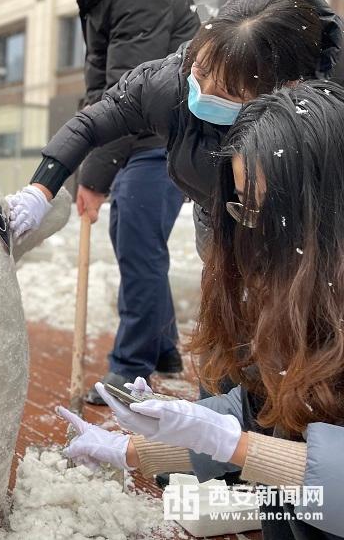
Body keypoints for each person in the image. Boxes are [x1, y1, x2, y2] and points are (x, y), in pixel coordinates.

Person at [56, 80, 344, 539]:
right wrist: (142, 446)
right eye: (242, 208)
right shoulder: (295, 294)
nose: (251, 235)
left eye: (266, 212)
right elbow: (263, 416)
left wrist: (235, 445)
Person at [7, 0, 342, 259]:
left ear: (283, 88)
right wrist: (41, 189)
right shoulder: (169, 84)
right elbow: (92, 122)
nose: (203, 91)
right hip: (213, 213)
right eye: (201, 69)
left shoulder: (320, 120)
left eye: (226, 91)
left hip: (306, 231)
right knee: (228, 316)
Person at [74, 0, 199, 405]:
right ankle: (163, 347)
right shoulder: (96, 6)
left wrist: (94, 175)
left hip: (163, 135)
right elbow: (99, 95)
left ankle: (130, 369)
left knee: (137, 241)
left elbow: (127, 94)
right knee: (134, 237)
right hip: (145, 138)